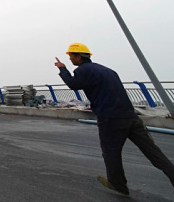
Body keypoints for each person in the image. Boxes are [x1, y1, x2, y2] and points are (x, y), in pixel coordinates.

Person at [55, 42, 174, 196]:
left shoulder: (83, 70)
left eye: (71, 56)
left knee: (111, 153)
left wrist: (62, 69)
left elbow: (73, 84)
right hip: (131, 116)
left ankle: (118, 184)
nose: (70, 59)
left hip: (111, 119)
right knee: (153, 152)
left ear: (78, 56)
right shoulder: (109, 70)